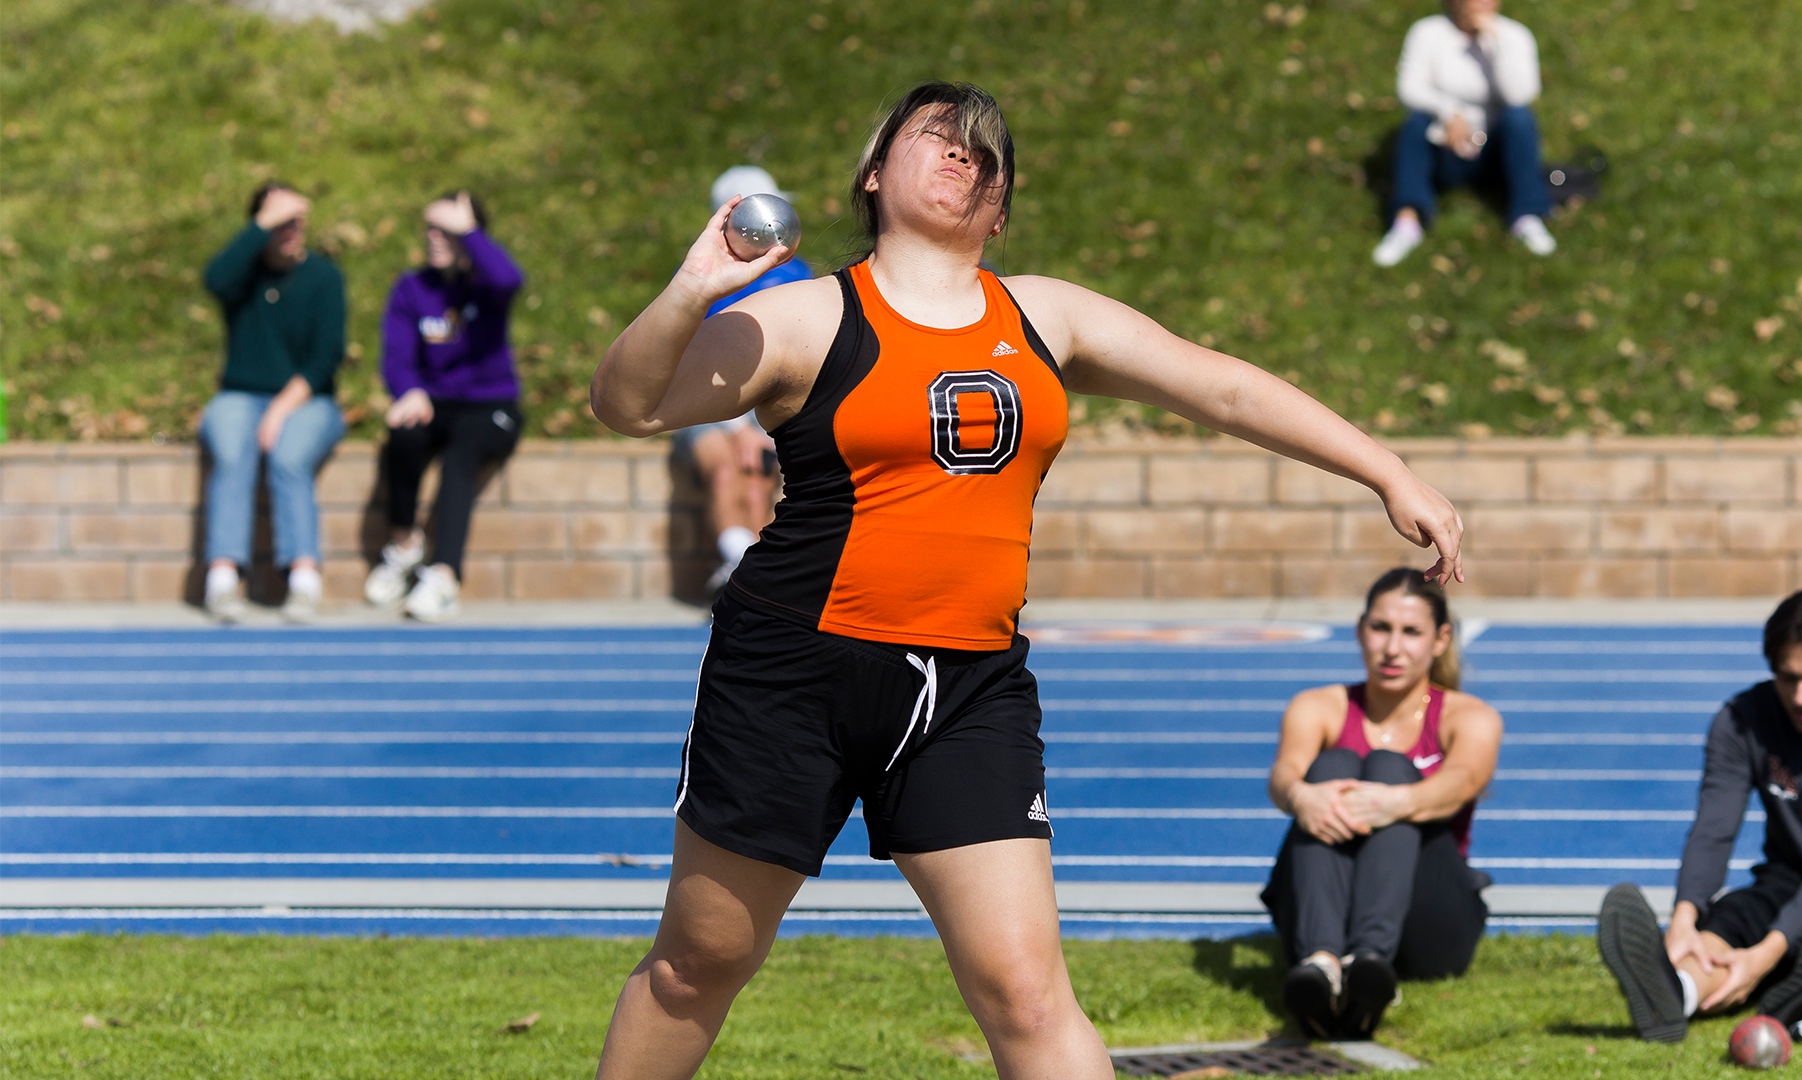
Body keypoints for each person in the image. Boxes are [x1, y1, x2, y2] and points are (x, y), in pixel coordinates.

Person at [588, 81, 1466, 1079]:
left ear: (999, 211)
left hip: (968, 690)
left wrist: (1386, 470)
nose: (966, 152)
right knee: (701, 963)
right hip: (792, 674)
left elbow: (1216, 382)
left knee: (1028, 993)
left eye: (987, 152)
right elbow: (627, 403)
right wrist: (696, 283)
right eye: (936, 136)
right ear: (874, 174)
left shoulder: (1043, 314)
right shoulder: (805, 317)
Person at [1599, 585, 1802, 1046]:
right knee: (1729, 922)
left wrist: (1770, 951)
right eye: (1787, 677)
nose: (1801, 696)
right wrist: (1686, 916)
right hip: (1793, 880)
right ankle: (1677, 991)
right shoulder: (1742, 719)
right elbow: (1714, 828)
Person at [1261, 568, 1501, 1039]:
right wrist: (1302, 796)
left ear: (1440, 640)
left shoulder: (1470, 716)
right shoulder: (1318, 706)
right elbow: (1283, 774)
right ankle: (1324, 964)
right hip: (1325, 909)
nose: (1393, 648)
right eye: (1380, 628)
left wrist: (1397, 802)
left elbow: (1461, 781)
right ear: (1360, 630)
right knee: (1330, 769)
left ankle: (1369, 963)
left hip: (1427, 922)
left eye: (1411, 632)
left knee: (1391, 766)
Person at [362, 191, 524, 622]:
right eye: (431, 228)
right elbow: (396, 357)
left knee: (459, 460)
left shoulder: (487, 285)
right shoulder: (411, 288)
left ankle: (445, 577)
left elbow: (509, 279)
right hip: (435, 403)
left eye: (447, 229)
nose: (435, 237)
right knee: (402, 434)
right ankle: (402, 546)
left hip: (491, 406)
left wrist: (466, 230)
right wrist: (408, 390)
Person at [199, 181, 347, 623]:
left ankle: (303, 579)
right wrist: (262, 223)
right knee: (231, 451)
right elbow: (214, 279)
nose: (290, 230)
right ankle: (222, 579)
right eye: (278, 222)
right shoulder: (243, 278)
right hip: (239, 395)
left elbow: (326, 358)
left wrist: (282, 409)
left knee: (288, 456)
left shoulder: (324, 277)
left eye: (296, 220)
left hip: (307, 399)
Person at [669, 166, 814, 595]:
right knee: (726, 469)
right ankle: (742, 564)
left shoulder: (797, 276)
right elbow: (699, 362)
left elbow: (795, 361)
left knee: (758, 482)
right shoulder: (704, 275)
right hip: (708, 406)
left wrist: (758, 427)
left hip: (767, 406)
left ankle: (751, 574)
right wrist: (739, 428)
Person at [1373, 0, 1557, 267]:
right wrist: (1449, 113)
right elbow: (1409, 88)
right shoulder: (1427, 33)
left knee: (1520, 119)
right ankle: (1406, 221)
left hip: (1494, 153)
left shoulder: (1515, 36)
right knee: (1415, 124)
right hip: (1445, 148)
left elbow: (1520, 95)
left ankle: (1528, 216)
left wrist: (1498, 44)